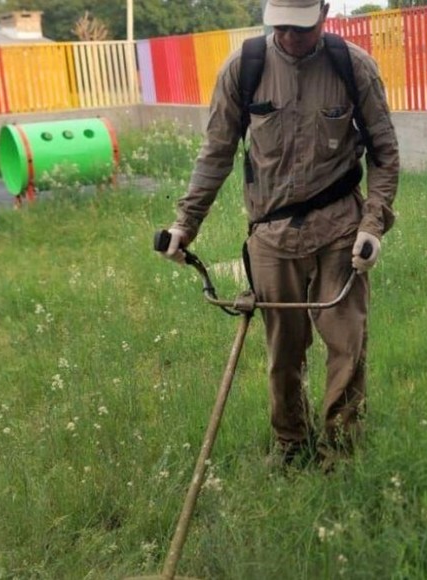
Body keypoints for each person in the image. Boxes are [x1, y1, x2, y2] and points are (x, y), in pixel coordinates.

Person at [160, 0, 400, 471]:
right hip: (270, 236)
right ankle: (292, 444)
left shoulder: (353, 67)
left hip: (339, 230)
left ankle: (342, 450)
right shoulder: (243, 68)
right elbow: (216, 152)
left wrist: (372, 225)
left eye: (301, 27)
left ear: (325, 13)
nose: (290, 37)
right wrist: (184, 225)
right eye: (281, 27)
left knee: (347, 345)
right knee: (283, 351)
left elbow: (385, 152)